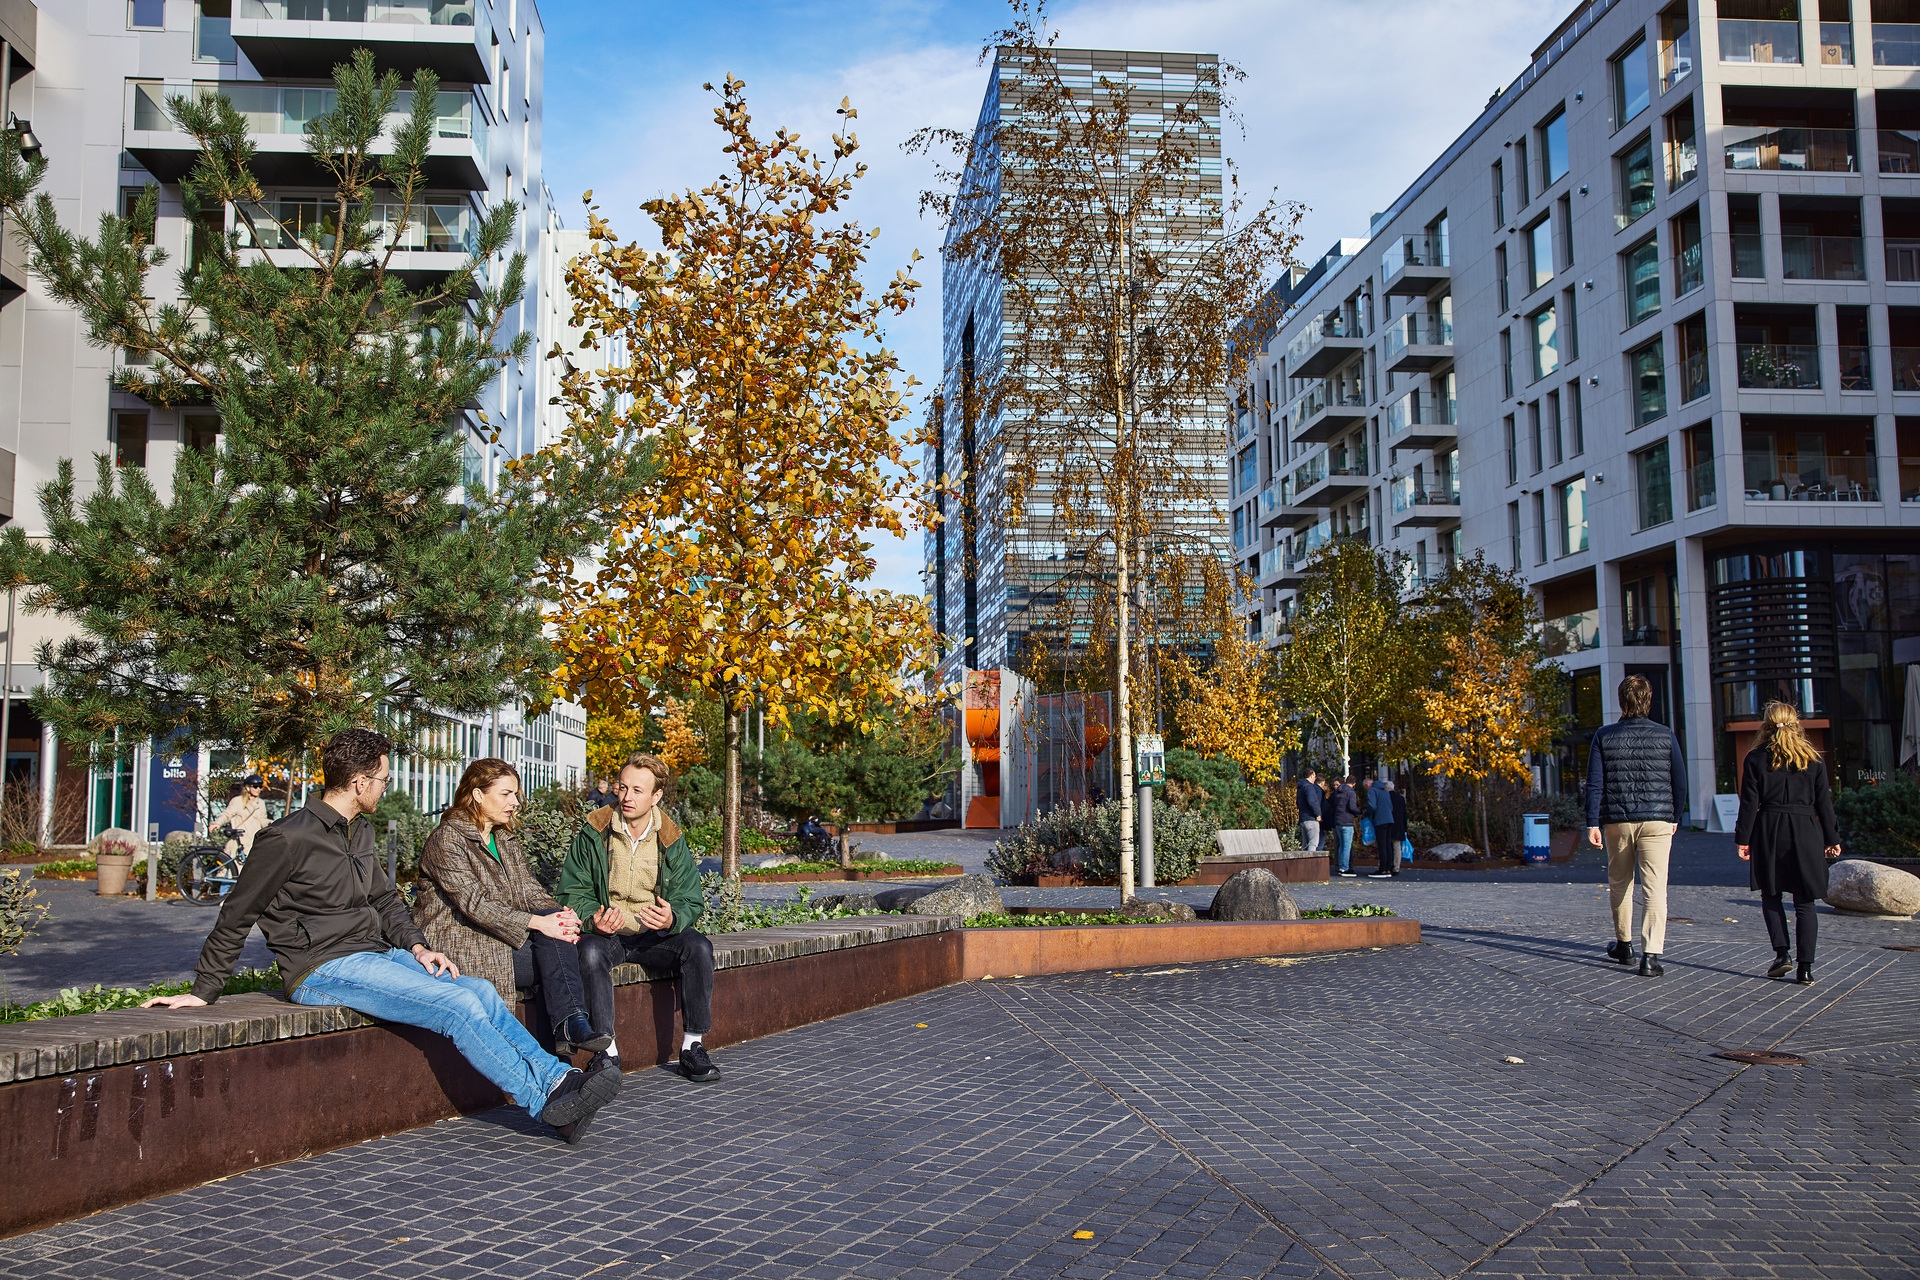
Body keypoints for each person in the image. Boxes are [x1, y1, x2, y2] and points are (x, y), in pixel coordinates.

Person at [142, 729, 621, 1144]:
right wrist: (204, 991)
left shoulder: (360, 832)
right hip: (322, 968)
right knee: (456, 1006)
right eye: (384, 780)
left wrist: (419, 947)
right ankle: (547, 1100)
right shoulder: (286, 839)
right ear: (360, 782)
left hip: (377, 954)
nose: (386, 787)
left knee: (476, 989)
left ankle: (562, 1080)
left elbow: (387, 901)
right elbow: (236, 913)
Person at [413, 758, 608, 1057]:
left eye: (515, 794)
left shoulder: (503, 837)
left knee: (558, 939)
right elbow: (475, 903)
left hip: (499, 934)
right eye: (506, 794)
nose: (515, 802)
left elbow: (529, 890)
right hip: (460, 941)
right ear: (477, 795)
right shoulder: (447, 839)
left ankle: (564, 1040)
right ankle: (563, 1045)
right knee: (553, 957)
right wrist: (540, 923)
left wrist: (560, 916)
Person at [557, 752, 718, 1082]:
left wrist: (672, 918)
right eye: (622, 787)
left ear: (656, 796)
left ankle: (692, 1046)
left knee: (699, 947)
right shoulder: (594, 831)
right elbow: (572, 891)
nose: (626, 796)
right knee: (589, 952)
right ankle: (606, 1052)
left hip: (654, 936)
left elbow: (690, 898)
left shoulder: (671, 838)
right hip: (608, 934)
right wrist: (593, 919)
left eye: (637, 790)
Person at [1586, 674, 1687, 977]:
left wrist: (1592, 822)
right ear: (1648, 700)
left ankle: (1624, 945)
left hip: (1618, 820)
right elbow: (1679, 781)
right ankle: (1651, 956)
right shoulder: (1665, 735)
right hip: (1657, 819)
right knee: (1655, 888)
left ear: (1621, 700)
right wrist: (1675, 816)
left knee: (1620, 883)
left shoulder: (1604, 735)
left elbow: (1595, 783)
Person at [1735, 702, 1842, 986]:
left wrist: (1743, 839)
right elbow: (1824, 804)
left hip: (1769, 829)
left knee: (1771, 894)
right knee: (1805, 901)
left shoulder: (1756, 758)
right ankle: (1805, 968)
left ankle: (1782, 954)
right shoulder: (1813, 759)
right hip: (1806, 831)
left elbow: (1749, 804)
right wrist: (1832, 838)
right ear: (1796, 724)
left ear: (1766, 726)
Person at [211, 774, 272, 856]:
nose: (258, 789)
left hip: (253, 842)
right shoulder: (237, 801)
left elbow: (262, 820)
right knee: (234, 863)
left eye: (260, 787)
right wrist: (217, 823)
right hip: (238, 842)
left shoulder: (260, 803)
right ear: (247, 787)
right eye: (255, 786)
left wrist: (270, 823)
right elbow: (227, 814)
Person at [1371, 777, 1406, 878]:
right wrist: (1405, 828)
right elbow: (1404, 814)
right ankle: (1396, 867)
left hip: (1385, 822)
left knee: (1386, 845)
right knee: (1396, 847)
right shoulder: (1400, 798)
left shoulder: (1384, 796)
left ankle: (1386, 865)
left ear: (1386, 788)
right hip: (1398, 825)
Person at [1329, 775, 1360, 877]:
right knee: (1347, 846)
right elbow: (1352, 806)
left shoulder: (1338, 792)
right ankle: (1345, 868)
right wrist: (1358, 812)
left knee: (1341, 845)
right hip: (1347, 821)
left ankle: (1341, 866)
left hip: (1338, 821)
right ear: (1354, 784)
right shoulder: (1351, 792)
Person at [1296, 769, 1323, 853]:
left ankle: (1303, 861)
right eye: (1314, 776)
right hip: (1311, 819)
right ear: (1311, 776)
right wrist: (1317, 814)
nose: (1315, 778)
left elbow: (1298, 802)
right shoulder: (1309, 787)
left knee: (1305, 844)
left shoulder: (1301, 787)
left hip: (1303, 818)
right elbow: (1312, 801)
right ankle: (1311, 861)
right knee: (1313, 844)